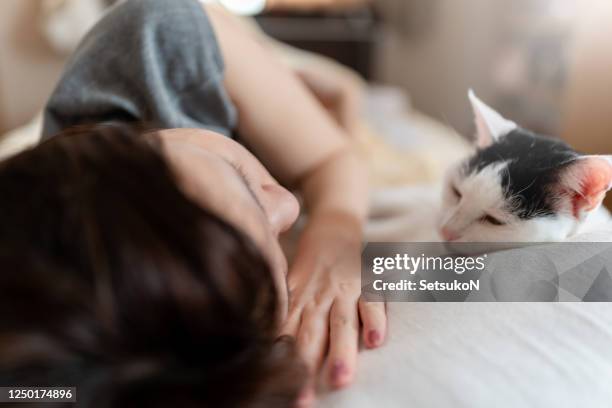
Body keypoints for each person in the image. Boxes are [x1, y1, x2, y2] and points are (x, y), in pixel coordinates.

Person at [3, 0, 387, 405]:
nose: (289, 207)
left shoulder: (163, 35)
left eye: (238, 177)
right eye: (273, 241)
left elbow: (333, 158)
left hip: (238, 46)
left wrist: (336, 233)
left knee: (343, 90)